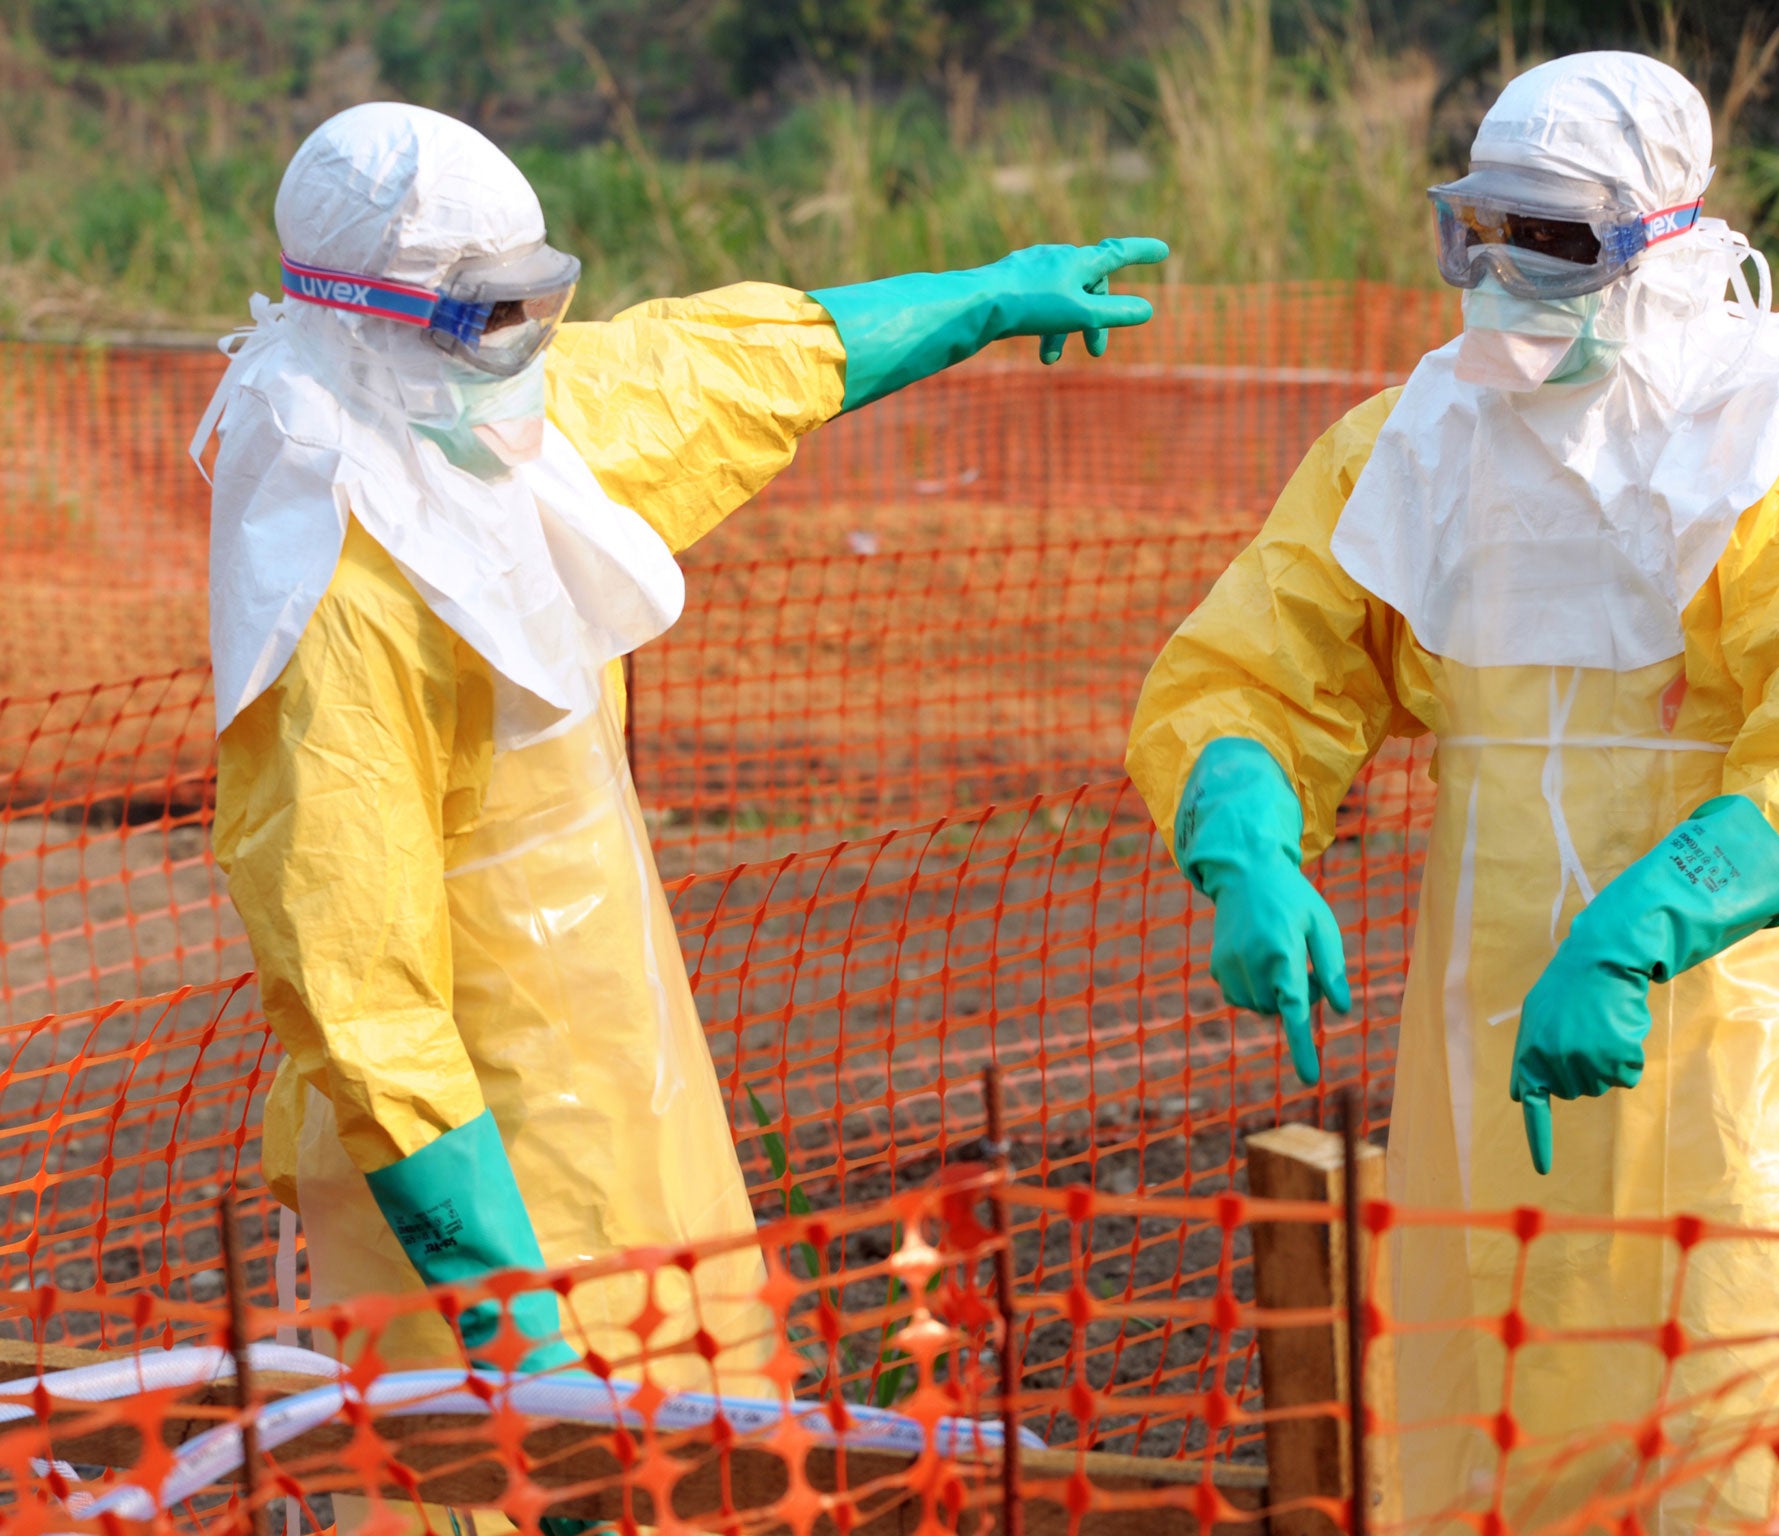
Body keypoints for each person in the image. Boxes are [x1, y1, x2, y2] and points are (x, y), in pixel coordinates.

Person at [194, 98, 1164, 1480]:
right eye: (495, 317)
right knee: (495, 1492)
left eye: (540, 302)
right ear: (363, 320)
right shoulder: (332, 590)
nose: (533, 345)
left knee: (705, 1454)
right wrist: (510, 1336)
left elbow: (740, 360)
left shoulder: (499, 418)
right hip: (469, 1206)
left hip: (637, 1105)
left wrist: (985, 296)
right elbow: (361, 997)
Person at [1127, 52, 1779, 1532]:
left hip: (1719, 1045)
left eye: (1554, 240)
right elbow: (1262, 665)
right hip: (1481, 1031)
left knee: (1746, 1420)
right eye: (1480, 231)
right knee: (1492, 1415)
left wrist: (1649, 923)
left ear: (1664, 238)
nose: (1506, 274)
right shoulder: (1412, 445)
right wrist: (1247, 841)